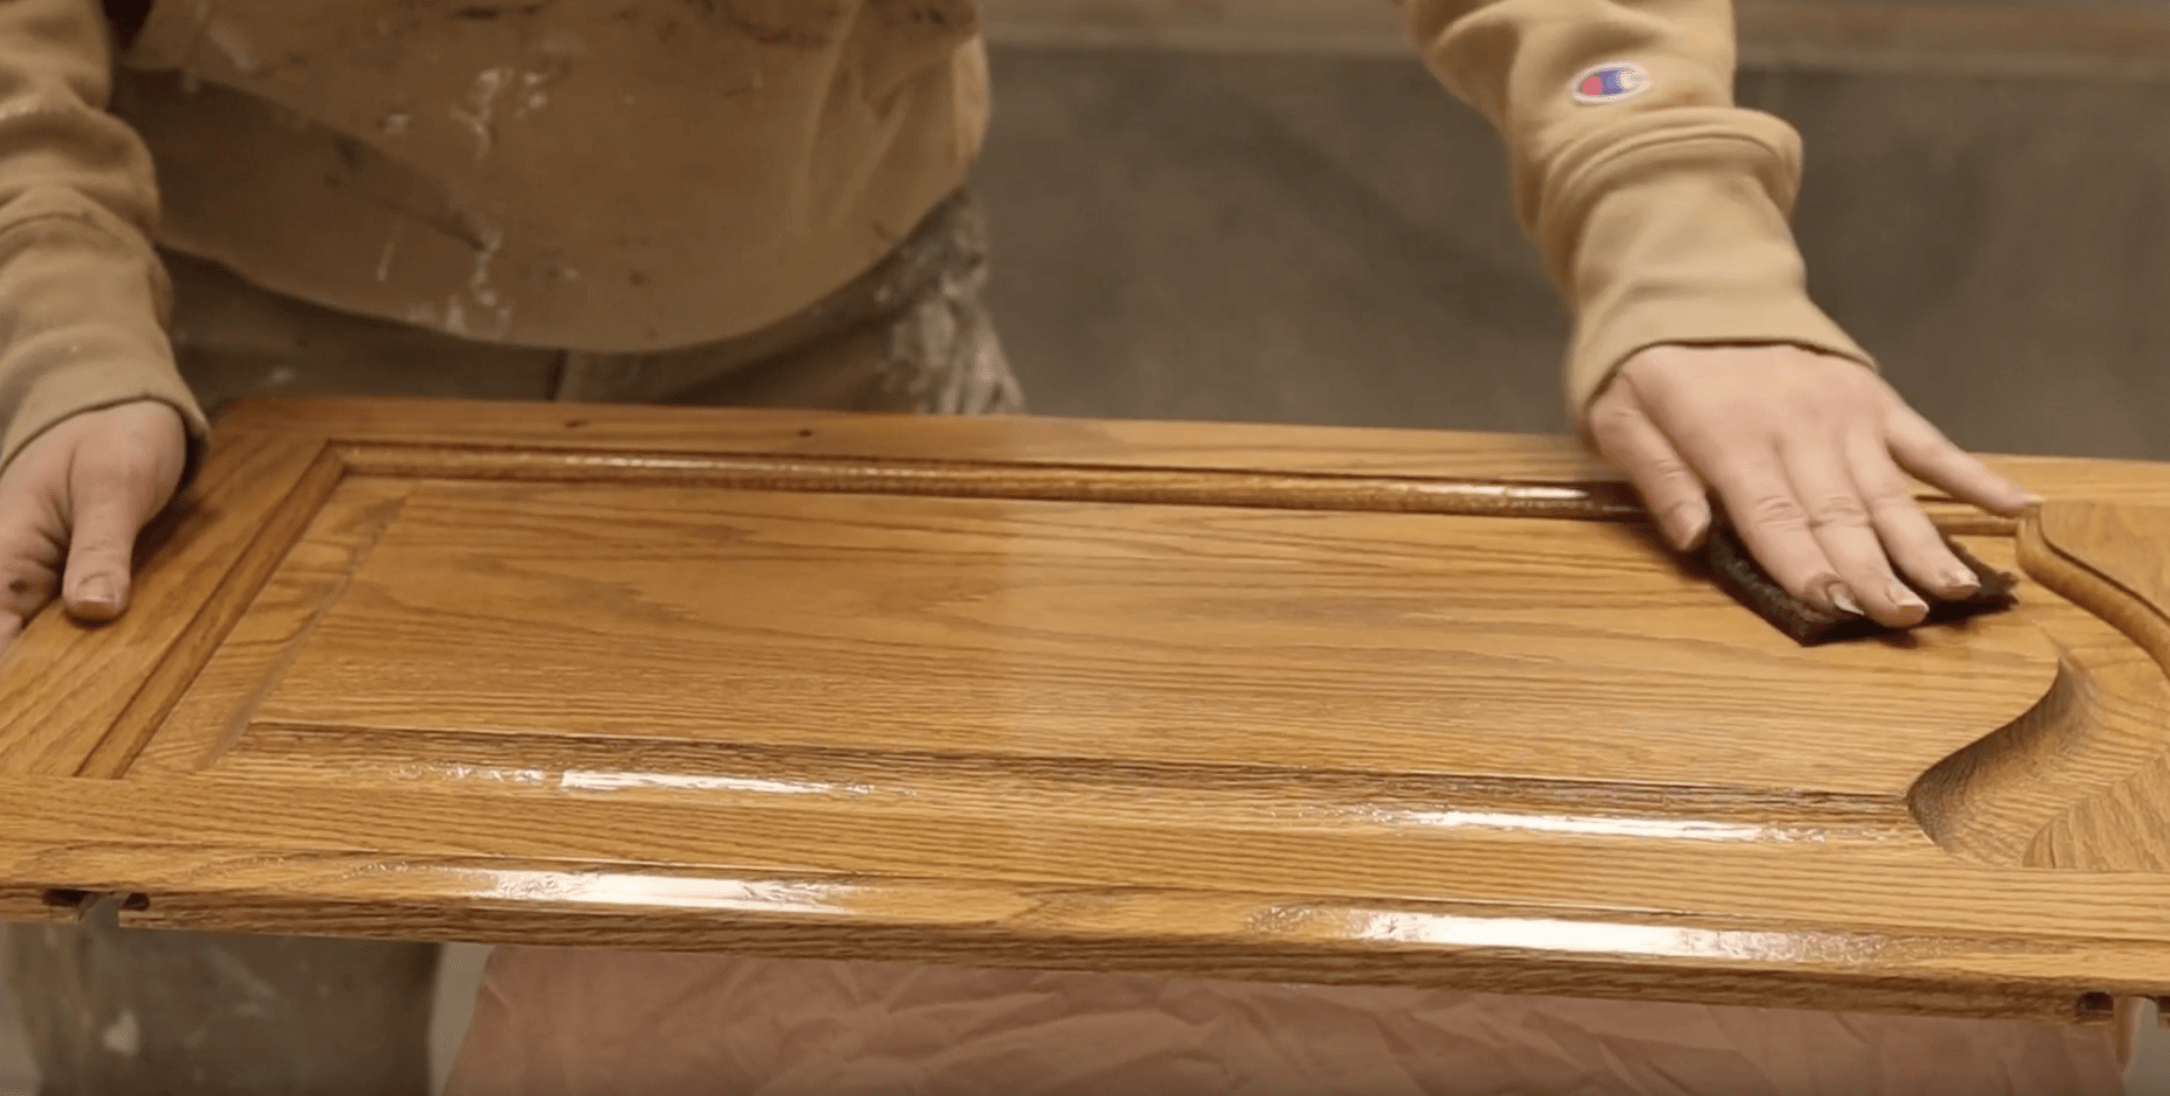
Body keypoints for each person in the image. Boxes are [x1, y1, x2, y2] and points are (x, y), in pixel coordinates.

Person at [0, 0, 2080, 1092]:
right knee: (209, 1036)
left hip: (825, 333)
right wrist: (52, 316)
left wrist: (1674, 222)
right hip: (224, 363)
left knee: (855, 1033)